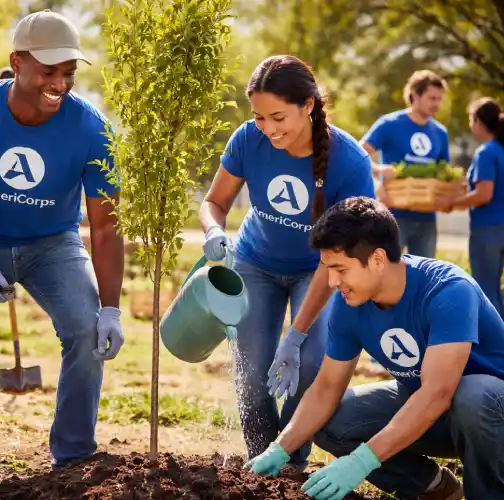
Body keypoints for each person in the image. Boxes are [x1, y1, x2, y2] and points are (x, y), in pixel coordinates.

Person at [0, 9, 124, 468]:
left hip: (52, 245)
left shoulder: (92, 130)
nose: (59, 83)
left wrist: (112, 308)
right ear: (16, 62)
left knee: (85, 330)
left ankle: (74, 454)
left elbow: (104, 225)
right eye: (48, 71)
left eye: (68, 73)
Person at [245, 196, 504, 500]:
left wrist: (362, 461)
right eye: (328, 268)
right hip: (434, 414)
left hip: (488, 416)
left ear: (378, 260)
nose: (332, 280)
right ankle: (435, 487)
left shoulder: (447, 291)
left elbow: (437, 394)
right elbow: (326, 388)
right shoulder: (349, 303)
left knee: (472, 395)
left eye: (340, 269)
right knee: (331, 421)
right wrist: (280, 448)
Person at [199, 55, 375, 471]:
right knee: (252, 370)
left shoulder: (350, 163)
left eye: (278, 116)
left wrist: (294, 337)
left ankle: (290, 460)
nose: (268, 128)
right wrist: (212, 231)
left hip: (318, 271)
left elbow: (337, 261)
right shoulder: (248, 140)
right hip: (255, 263)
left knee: (310, 364)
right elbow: (215, 202)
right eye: (259, 117)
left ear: (308, 105)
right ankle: (260, 464)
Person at [361, 70, 450, 259]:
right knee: (386, 268)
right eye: (432, 98)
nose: (437, 104)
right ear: (414, 96)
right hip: (392, 215)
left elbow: (444, 172)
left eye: (439, 99)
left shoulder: (441, 133)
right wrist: (377, 171)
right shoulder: (389, 123)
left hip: (427, 219)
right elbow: (358, 155)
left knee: (425, 273)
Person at [445, 98, 504, 318]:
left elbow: (483, 194)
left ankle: (494, 348)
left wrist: (451, 203)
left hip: (489, 230)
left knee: (487, 291)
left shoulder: (487, 152)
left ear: (478, 122)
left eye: (471, 119)